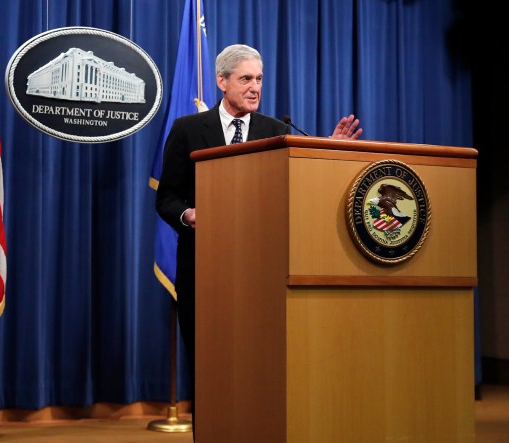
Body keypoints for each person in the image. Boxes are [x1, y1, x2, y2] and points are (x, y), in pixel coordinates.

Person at [155, 43, 362, 420]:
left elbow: (300, 190)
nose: (255, 87)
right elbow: (166, 197)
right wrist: (190, 215)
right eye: (246, 78)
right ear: (221, 81)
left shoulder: (276, 131)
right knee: (209, 366)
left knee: (260, 366)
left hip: (262, 274)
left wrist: (328, 155)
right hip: (205, 272)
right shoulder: (188, 130)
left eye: (260, 79)